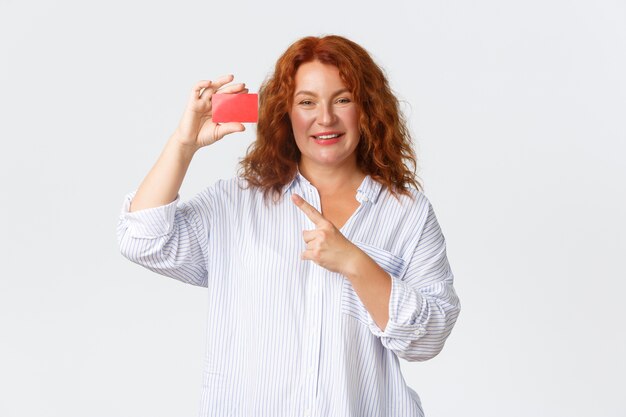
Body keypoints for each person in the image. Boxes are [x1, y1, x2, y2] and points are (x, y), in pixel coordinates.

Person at [117, 34, 460, 417]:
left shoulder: (407, 213)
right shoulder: (237, 202)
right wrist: (183, 144)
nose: (325, 118)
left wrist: (355, 262)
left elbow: (428, 338)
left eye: (343, 99)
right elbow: (141, 239)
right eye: (307, 102)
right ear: (286, 112)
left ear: (367, 109)